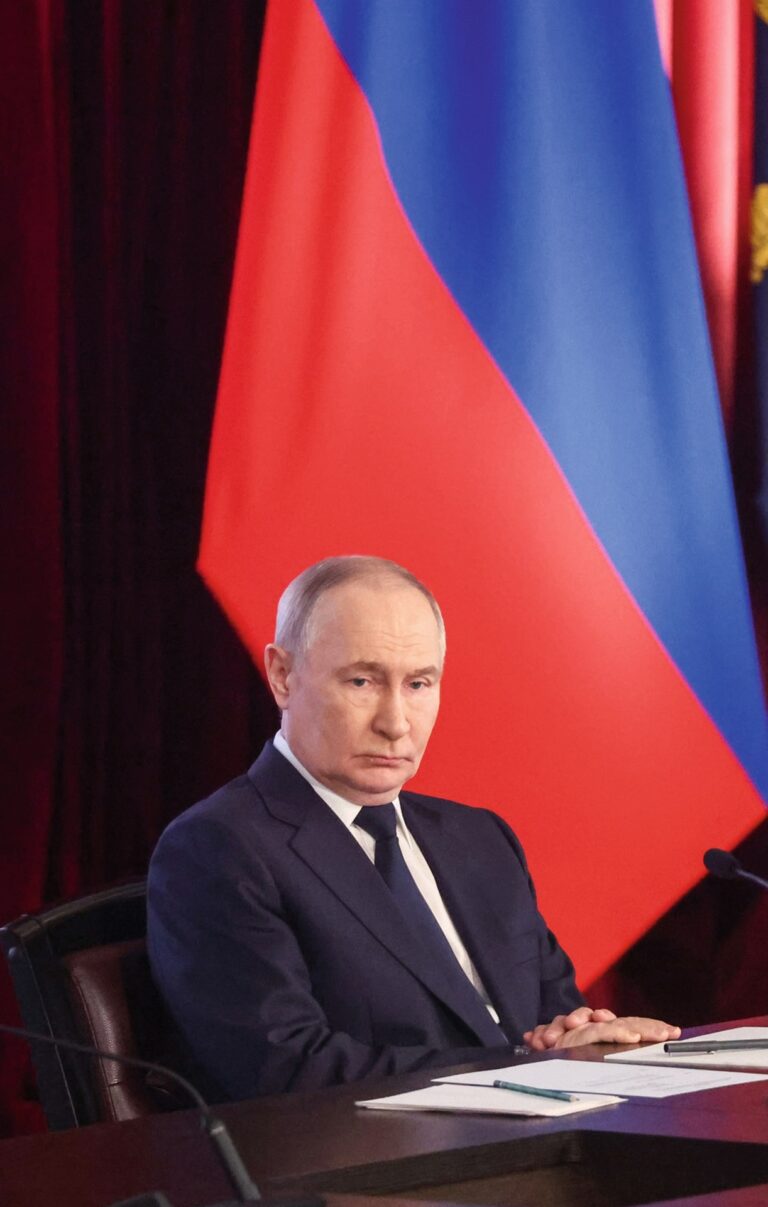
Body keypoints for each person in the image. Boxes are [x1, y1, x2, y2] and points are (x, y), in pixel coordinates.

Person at [148, 555, 679, 1100]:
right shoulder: (218, 847)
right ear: (283, 676)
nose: (396, 722)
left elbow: (556, 1020)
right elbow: (288, 1069)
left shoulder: (481, 839)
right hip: (366, 1150)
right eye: (362, 681)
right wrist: (524, 1063)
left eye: (419, 684)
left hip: (549, 1130)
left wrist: (588, 1039)